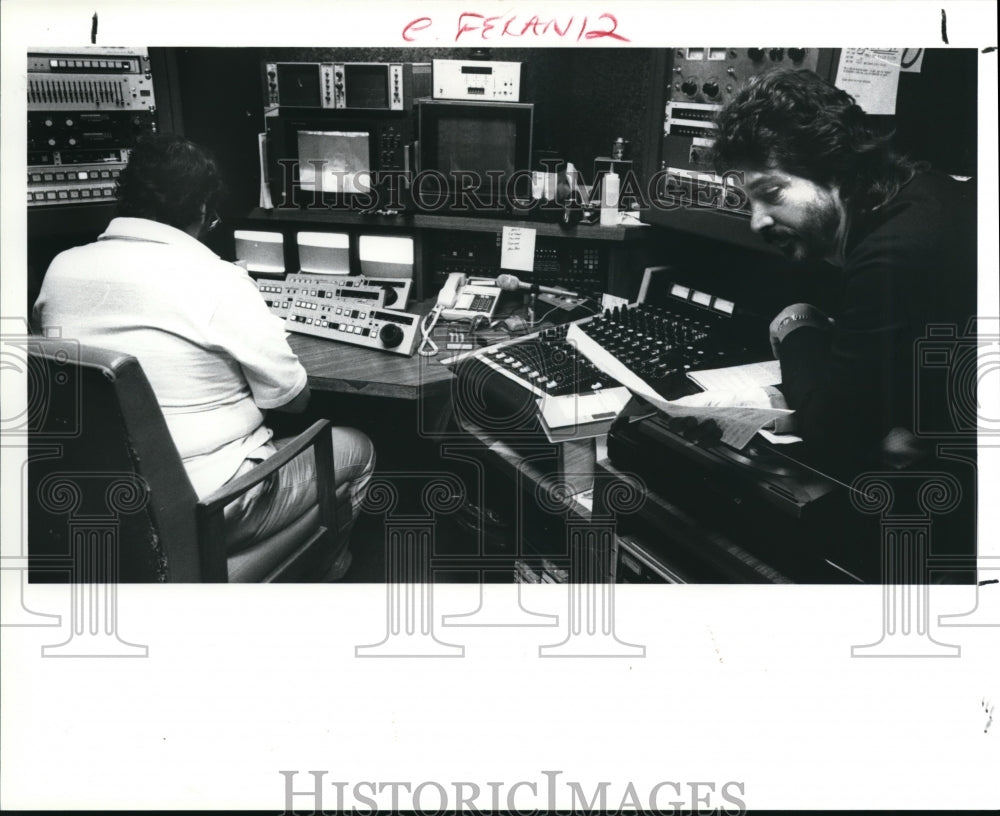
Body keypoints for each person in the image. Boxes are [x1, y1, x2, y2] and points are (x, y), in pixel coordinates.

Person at [33, 133, 375, 580]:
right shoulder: (217, 280)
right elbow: (293, 400)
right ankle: (330, 570)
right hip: (211, 503)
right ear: (200, 210)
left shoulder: (61, 268)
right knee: (360, 448)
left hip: (102, 497)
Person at [708, 68, 976, 463]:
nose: (757, 221)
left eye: (772, 192)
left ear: (835, 170)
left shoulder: (892, 253)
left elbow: (834, 433)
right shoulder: (921, 191)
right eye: (750, 202)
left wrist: (795, 324)